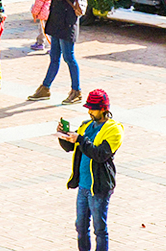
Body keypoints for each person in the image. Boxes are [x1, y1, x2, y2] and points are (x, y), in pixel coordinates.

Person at [57, 89, 121, 251]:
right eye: (89, 108)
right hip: (84, 185)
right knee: (80, 225)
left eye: (93, 108)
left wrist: (80, 139)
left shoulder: (114, 130)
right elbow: (72, 147)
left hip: (99, 186)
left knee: (99, 229)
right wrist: (64, 135)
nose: (89, 111)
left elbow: (100, 155)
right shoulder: (86, 125)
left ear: (104, 109)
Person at [35, 0, 84, 104]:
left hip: (67, 22)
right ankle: (45, 88)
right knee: (54, 56)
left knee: (69, 57)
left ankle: (76, 91)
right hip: (57, 20)